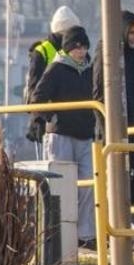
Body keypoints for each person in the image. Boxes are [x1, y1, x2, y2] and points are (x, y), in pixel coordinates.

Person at [30, 25, 99, 248]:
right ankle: (59, 233)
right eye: (76, 47)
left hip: (85, 133)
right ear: (68, 48)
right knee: (61, 186)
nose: (80, 51)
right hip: (60, 134)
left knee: (88, 184)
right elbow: (37, 97)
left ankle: (85, 234)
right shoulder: (56, 69)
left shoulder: (90, 69)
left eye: (83, 47)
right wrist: (49, 117)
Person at [93, 10, 134, 208]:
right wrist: (107, 126)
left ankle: (122, 213)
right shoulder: (106, 54)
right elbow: (98, 92)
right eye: (132, 33)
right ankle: (112, 222)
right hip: (114, 127)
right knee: (115, 177)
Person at [24, 6, 81, 147]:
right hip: (50, 121)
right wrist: (38, 119)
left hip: (73, 119)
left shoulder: (77, 50)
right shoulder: (42, 51)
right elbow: (34, 88)